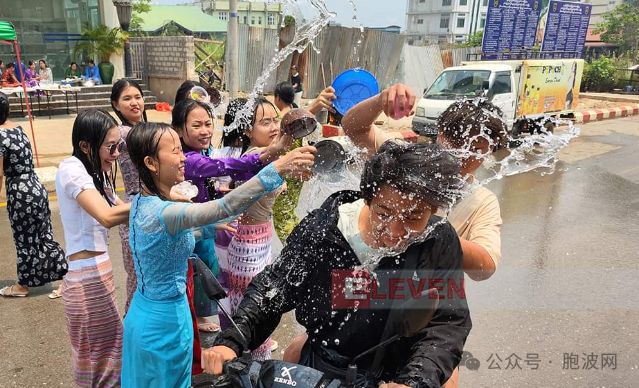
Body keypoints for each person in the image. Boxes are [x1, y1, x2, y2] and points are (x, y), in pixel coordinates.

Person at [203, 140, 471, 388]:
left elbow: (447, 323)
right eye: (384, 213)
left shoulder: (437, 240)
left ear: (433, 210)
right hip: (321, 369)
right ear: (368, 198)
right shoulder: (325, 231)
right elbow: (273, 290)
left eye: (413, 217)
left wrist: (416, 380)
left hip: (397, 374)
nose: (395, 231)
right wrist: (231, 342)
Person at [120, 121, 315, 388]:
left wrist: (208, 226)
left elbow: (167, 242)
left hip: (145, 314)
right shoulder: (166, 212)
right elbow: (223, 207)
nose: (183, 158)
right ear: (151, 163)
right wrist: (276, 168)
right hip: (163, 326)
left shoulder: (143, 202)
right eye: (175, 151)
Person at [342, 84, 504, 388]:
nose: (463, 157)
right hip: (366, 290)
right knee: (306, 351)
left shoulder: (481, 201)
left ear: (488, 152)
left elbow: (487, 265)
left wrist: (433, 234)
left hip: (424, 309)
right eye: (457, 143)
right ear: (440, 134)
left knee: (442, 381)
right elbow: (352, 128)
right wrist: (380, 100)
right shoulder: (402, 160)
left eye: (476, 151)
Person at [55, 109, 131, 388]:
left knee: (109, 354)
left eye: (118, 146)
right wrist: (154, 205)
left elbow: (120, 208)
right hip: (85, 279)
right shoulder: (72, 169)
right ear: (85, 145)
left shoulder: (97, 173)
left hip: (100, 272)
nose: (115, 153)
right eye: (110, 147)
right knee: (98, 360)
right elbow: (108, 216)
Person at [224, 97, 295, 359]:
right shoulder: (255, 156)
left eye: (275, 120)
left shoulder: (268, 153)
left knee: (258, 311)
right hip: (248, 246)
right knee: (253, 313)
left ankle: (252, 367)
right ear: (247, 130)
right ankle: (251, 371)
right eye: (265, 122)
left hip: (261, 241)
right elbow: (273, 154)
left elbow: (282, 146)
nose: (273, 126)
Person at [0, 92, 67, 298]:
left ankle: (22, 286)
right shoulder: (18, 130)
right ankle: (68, 277)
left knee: (25, 239)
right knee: (43, 235)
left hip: (20, 192)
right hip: (35, 186)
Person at [110, 78, 148, 313]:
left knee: (144, 273)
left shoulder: (142, 129)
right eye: (127, 98)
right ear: (115, 104)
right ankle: (132, 320)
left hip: (148, 204)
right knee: (139, 273)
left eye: (137, 97)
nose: (134, 103)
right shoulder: (123, 133)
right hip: (137, 206)